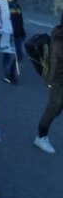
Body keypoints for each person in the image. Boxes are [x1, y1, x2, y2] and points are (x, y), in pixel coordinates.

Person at [34, 14, 63, 154]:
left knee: (56, 109)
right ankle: (41, 137)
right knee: (53, 109)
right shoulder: (59, 40)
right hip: (57, 82)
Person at [2, 0, 26, 84]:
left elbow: (20, 20)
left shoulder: (17, 6)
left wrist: (22, 31)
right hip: (7, 34)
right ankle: (8, 74)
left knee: (20, 54)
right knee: (7, 54)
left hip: (17, 33)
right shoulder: (3, 5)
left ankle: (11, 72)